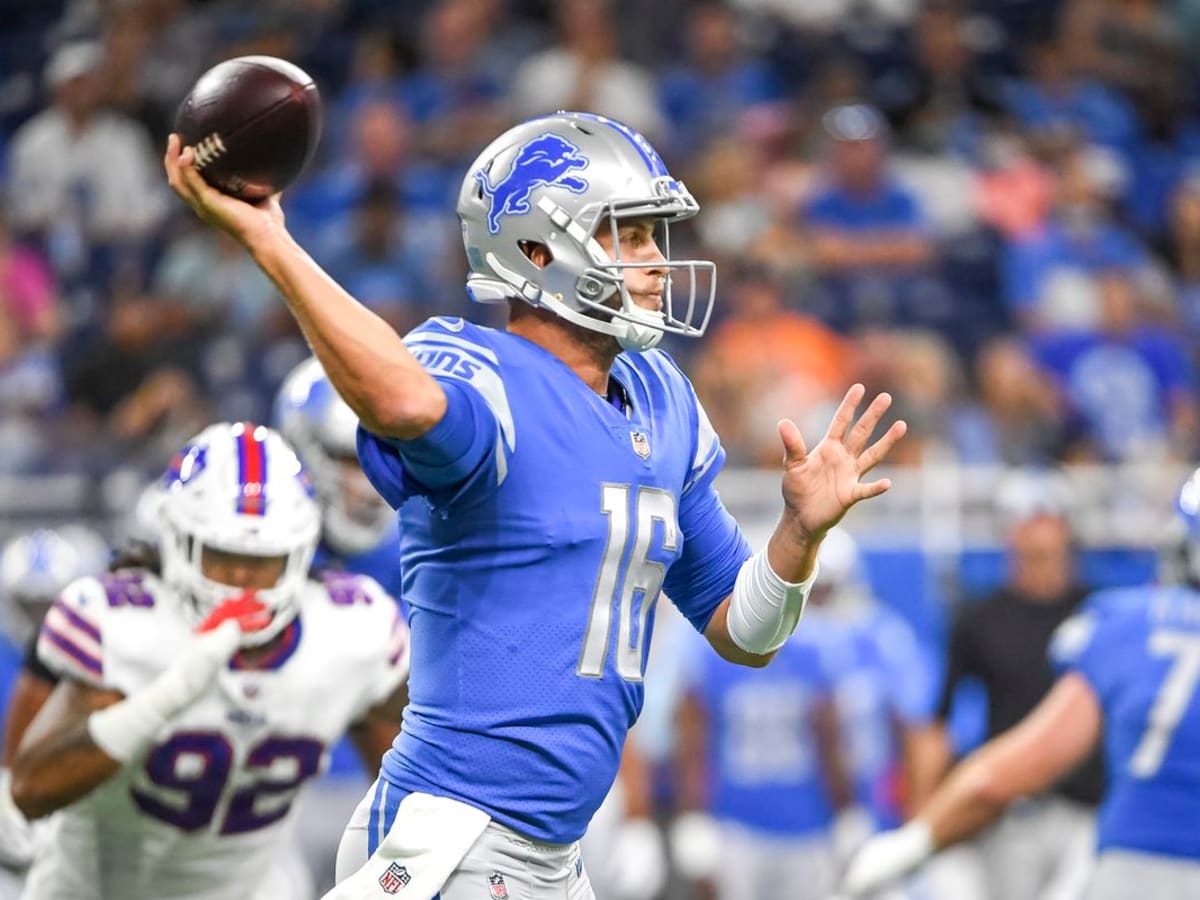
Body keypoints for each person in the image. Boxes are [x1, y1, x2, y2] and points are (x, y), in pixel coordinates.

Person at [163, 109, 906, 900]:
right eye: (630, 236)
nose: (657, 262)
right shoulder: (479, 371)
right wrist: (272, 243)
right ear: (538, 250)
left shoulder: (662, 399)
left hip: (553, 853)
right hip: (452, 838)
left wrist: (797, 535)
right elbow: (405, 405)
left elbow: (744, 631)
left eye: (657, 236)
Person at [9, 422, 409, 900]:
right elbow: (30, 790)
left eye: (262, 563)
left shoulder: (351, 631)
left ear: (299, 554)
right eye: (222, 559)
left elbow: (408, 791)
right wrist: (167, 696)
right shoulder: (123, 624)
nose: (241, 583)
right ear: (178, 543)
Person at [841, 467, 1200, 900]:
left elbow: (1016, 764)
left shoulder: (1123, 621)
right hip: (1021, 822)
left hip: (1117, 840)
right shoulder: (984, 617)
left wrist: (917, 839)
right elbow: (937, 724)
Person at [906, 475, 1104, 900]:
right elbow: (937, 723)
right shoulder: (980, 618)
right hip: (1012, 812)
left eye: (1047, 517)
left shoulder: (1100, 612)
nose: (1039, 530)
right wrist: (921, 822)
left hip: (1090, 809)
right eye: (1027, 518)